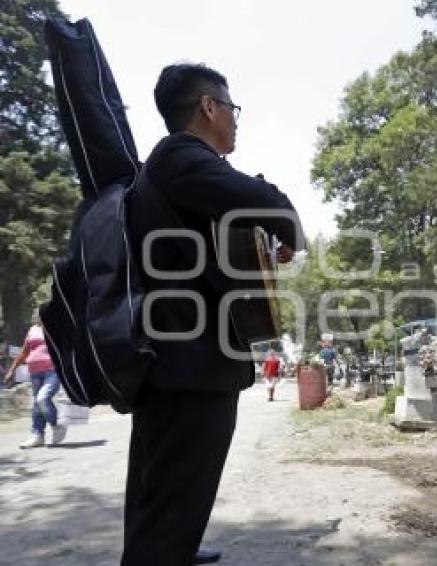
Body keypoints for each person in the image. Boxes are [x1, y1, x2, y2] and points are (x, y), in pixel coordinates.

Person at [123, 63, 303, 565]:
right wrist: (285, 227)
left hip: (180, 362)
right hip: (189, 366)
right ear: (208, 107)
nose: (235, 119)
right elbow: (270, 203)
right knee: (167, 509)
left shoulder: (172, 169)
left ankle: (172, 544)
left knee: (165, 500)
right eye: (231, 108)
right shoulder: (183, 157)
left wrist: (266, 238)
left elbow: (230, 229)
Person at [3, 323, 67, 449]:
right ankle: (38, 435)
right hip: (34, 372)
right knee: (37, 405)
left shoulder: (57, 326)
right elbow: (24, 352)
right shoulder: (33, 330)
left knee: (42, 398)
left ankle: (56, 425)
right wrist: (12, 370)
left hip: (53, 370)